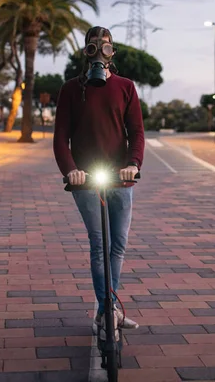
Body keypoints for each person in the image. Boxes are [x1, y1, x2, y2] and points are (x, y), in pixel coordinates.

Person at [53, 26, 145, 330]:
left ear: (112, 53)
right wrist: (71, 171)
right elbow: (60, 138)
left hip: (122, 178)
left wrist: (133, 163)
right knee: (98, 245)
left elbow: (137, 133)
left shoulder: (126, 87)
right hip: (85, 179)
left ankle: (110, 308)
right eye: (93, 47)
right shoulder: (70, 89)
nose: (99, 52)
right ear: (86, 53)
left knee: (117, 244)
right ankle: (107, 310)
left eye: (105, 47)